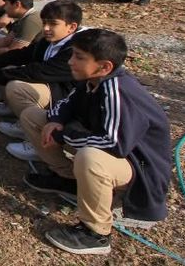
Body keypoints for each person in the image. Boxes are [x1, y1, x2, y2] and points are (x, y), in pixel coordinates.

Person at [19, 29, 171, 255]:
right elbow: (64, 105)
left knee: (90, 158)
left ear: (105, 66)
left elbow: (113, 143)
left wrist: (62, 134)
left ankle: (96, 233)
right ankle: (69, 179)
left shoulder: (117, 91)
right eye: (72, 55)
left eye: (79, 57)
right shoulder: (90, 79)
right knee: (34, 117)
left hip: (139, 167)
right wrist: (56, 121)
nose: (70, 62)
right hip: (112, 150)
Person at [0, 0, 82, 162]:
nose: (46, 28)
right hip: (53, 89)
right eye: (45, 23)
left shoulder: (76, 50)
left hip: (67, 99)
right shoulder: (49, 41)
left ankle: (36, 140)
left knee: (16, 86)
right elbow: (21, 54)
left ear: (71, 27)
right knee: (11, 70)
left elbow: (39, 72)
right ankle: (25, 124)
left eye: (53, 24)